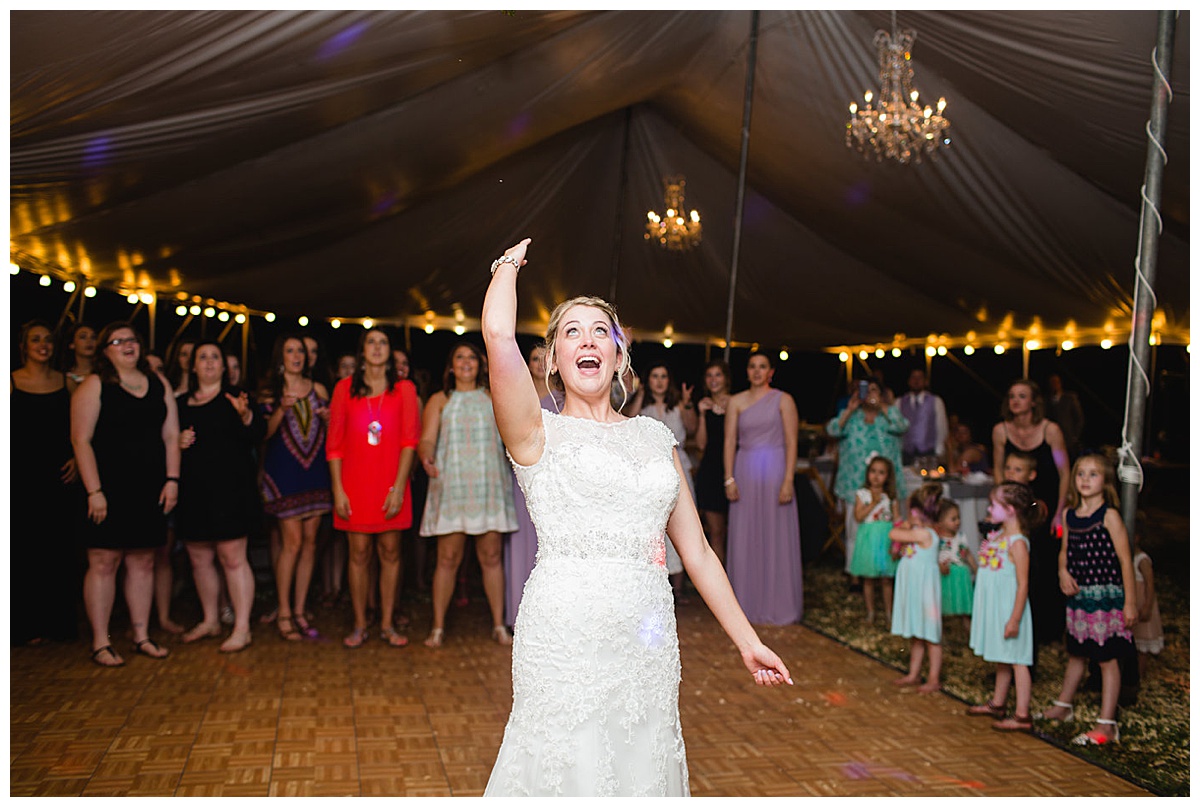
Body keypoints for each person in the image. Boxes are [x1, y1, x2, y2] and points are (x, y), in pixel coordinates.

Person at [480, 238, 791, 796]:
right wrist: (508, 267)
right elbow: (499, 337)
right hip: (564, 628)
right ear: (552, 359)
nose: (587, 340)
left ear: (620, 356)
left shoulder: (655, 439)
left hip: (647, 633)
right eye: (571, 332)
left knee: (642, 761)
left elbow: (696, 551)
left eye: (601, 330)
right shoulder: (535, 433)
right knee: (565, 763)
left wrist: (746, 640)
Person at [71, 322, 180, 666]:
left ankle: (141, 635)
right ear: (106, 350)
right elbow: (80, 440)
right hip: (108, 488)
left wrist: (172, 479)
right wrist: (94, 490)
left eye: (132, 340)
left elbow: (171, 435)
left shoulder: (158, 383)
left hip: (148, 486)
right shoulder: (94, 385)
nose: (127, 346)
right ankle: (101, 642)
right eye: (118, 341)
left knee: (143, 561)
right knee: (104, 561)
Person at [418, 340, 518, 647]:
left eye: (471, 358)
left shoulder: (493, 396)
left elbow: (512, 436)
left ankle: (499, 625)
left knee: (490, 556)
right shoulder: (439, 400)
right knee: (447, 558)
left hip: (488, 485)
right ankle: (437, 627)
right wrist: (426, 457)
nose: (465, 363)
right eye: (459, 357)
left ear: (481, 365)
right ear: (450, 366)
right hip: (452, 485)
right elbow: (427, 440)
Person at [327, 328, 421, 649]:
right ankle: (358, 623)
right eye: (371, 342)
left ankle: (386, 623)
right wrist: (338, 491)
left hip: (391, 482)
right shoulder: (344, 389)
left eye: (383, 343)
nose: (378, 348)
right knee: (359, 553)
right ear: (361, 351)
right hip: (354, 484)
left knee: (390, 552)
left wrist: (399, 487)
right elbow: (334, 446)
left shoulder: (404, 390)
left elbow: (410, 442)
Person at [1036, 454, 1136, 746]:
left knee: (1106, 658)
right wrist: (1062, 571)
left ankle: (1107, 724)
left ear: (1105, 482)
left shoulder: (1110, 516)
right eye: (1081, 474)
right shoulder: (1069, 515)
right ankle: (1064, 706)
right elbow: (1064, 551)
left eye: (1093, 475)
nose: (1085, 480)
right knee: (1077, 651)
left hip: (1105, 598)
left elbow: (1125, 561)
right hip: (1079, 598)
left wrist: (1129, 602)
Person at [175, 340, 261, 653]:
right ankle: (210, 619)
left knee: (233, 558)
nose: (209, 362)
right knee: (199, 558)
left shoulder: (236, 399)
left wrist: (246, 416)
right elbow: (165, 444)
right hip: (195, 492)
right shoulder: (181, 403)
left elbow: (257, 436)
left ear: (224, 366)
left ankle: (241, 627)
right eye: (203, 357)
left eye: (215, 357)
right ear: (193, 365)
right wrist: (177, 442)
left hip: (232, 492)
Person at [11, 320, 82, 646]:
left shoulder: (66, 383)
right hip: (22, 479)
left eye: (48, 340)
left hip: (60, 478)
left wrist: (74, 458)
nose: (43, 345)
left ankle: (60, 623)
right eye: (35, 340)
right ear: (23, 346)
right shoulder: (10, 382)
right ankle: (24, 625)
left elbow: (77, 430)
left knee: (60, 549)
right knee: (24, 550)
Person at [259, 333, 333, 641]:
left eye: (300, 351)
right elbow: (262, 434)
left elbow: (331, 435)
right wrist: (281, 410)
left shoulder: (318, 390)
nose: (296, 356)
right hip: (284, 473)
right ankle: (285, 610)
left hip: (315, 473)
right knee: (291, 543)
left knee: (310, 543)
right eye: (290, 351)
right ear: (281, 356)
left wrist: (329, 419)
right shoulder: (271, 391)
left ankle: (300, 609)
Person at [724, 351, 804, 626]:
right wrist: (729, 478)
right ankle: (744, 607)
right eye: (752, 366)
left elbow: (792, 442)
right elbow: (729, 441)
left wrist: (788, 480)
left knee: (775, 537)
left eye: (762, 367)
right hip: (745, 471)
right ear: (747, 371)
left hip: (774, 471)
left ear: (771, 372)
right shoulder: (735, 401)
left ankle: (778, 605)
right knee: (746, 535)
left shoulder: (784, 400)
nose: (757, 371)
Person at [991, 380, 1069, 656]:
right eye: (1012, 396)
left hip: (1045, 506)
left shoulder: (1051, 430)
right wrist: (1006, 506)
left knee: (1045, 568)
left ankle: (1049, 632)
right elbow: (999, 472)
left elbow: (1064, 473)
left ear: (1034, 401)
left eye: (1022, 396)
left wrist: (1060, 512)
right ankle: (1021, 626)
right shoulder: (1001, 431)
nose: (1015, 401)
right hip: (1017, 508)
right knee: (1017, 567)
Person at [967, 481, 1043, 731]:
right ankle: (998, 703)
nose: (989, 508)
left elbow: (1023, 584)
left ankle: (1023, 714)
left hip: (1010, 610)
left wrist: (1015, 619)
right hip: (995, 608)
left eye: (994, 504)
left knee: (1018, 659)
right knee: (1004, 657)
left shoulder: (1018, 543)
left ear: (1010, 509)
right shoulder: (998, 536)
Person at [826, 377, 909, 577]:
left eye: (873, 390)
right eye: (864, 390)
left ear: (881, 394)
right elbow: (832, 430)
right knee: (856, 532)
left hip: (886, 487)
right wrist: (850, 408)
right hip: (854, 484)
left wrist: (883, 405)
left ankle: (885, 572)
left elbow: (902, 426)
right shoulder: (852, 418)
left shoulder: (888, 416)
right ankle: (855, 574)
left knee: (887, 529)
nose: (869, 394)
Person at [626, 362, 694, 601]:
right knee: (655, 528)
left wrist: (686, 404)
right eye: (655, 376)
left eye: (664, 376)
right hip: (648, 470)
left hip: (679, 467)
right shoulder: (641, 406)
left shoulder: (678, 405)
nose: (659, 381)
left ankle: (680, 587)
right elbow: (627, 422)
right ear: (648, 380)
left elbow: (692, 428)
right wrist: (640, 392)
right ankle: (655, 584)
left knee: (683, 525)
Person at [503, 343, 553, 627]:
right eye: (534, 358)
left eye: (544, 358)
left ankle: (547, 620)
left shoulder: (563, 398)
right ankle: (518, 617)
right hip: (523, 479)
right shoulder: (517, 397)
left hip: (554, 482)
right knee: (521, 543)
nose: (538, 363)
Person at [888, 482, 945, 694]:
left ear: (916, 512)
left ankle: (933, 678)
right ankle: (914, 673)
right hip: (915, 589)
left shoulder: (925, 534)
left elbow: (893, 534)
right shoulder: (919, 531)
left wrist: (905, 524)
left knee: (930, 635)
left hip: (925, 592)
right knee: (917, 633)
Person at [848, 455, 899, 624]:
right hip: (868, 541)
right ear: (868, 473)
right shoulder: (862, 494)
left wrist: (896, 544)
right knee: (868, 579)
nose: (876, 476)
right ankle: (870, 612)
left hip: (885, 540)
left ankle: (889, 613)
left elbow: (897, 521)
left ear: (888, 476)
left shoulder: (890, 497)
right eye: (873, 471)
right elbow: (858, 516)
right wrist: (873, 503)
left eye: (881, 473)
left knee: (886, 579)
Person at [692, 360, 732, 566]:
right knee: (716, 532)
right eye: (709, 375)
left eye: (718, 375)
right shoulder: (704, 407)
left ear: (726, 378)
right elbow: (700, 445)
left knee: (736, 532)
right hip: (710, 472)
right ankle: (721, 582)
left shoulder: (737, 403)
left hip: (734, 470)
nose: (713, 380)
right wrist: (700, 413)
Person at [935, 498, 976, 635]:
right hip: (945, 575)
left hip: (961, 575)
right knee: (943, 603)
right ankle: (939, 632)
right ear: (940, 522)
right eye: (953, 519)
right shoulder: (937, 539)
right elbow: (933, 557)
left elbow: (968, 554)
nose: (957, 521)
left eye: (958, 518)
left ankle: (969, 631)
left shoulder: (961, 537)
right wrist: (939, 565)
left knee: (964, 604)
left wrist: (976, 569)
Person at [897, 367, 948, 466]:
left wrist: (940, 452)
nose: (916, 381)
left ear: (925, 381)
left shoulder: (936, 401)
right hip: (906, 454)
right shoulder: (899, 402)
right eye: (913, 377)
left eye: (920, 378)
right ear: (909, 381)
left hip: (929, 454)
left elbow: (941, 428)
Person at [1130, 531, 1163, 680]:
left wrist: (1147, 606)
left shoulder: (1142, 559)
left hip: (1141, 603)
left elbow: (1150, 584)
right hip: (1132, 604)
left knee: (1141, 646)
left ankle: (1140, 676)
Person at [1045, 374, 1085, 461]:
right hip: (1053, 439)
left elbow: (1079, 418)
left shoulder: (1070, 398)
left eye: (1056, 382)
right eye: (1052, 383)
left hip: (1068, 440)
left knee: (1069, 461)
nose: (1054, 385)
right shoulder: (1047, 400)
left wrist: (1075, 436)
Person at [61, 321, 98, 395]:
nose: (89, 341)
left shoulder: (106, 373)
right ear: (72, 344)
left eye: (93, 337)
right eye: (83, 337)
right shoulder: (63, 378)